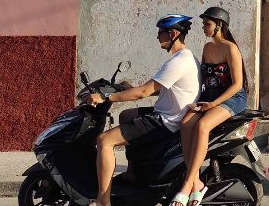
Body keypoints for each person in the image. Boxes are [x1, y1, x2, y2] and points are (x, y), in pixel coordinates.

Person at [85, 14, 201, 206]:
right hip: (171, 115)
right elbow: (162, 88)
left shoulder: (178, 62)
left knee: (104, 140)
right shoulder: (187, 58)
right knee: (126, 115)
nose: (157, 37)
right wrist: (127, 88)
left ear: (172, 33)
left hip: (165, 122)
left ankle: (103, 201)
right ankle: (133, 173)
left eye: (160, 33)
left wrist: (105, 97)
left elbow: (144, 92)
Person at [170, 7, 248, 206]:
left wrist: (214, 103)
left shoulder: (230, 48)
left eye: (207, 24)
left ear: (219, 25)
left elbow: (237, 84)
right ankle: (197, 182)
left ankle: (187, 185)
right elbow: (204, 79)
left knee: (202, 127)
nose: (204, 27)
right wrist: (198, 100)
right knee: (186, 124)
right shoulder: (206, 47)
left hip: (231, 98)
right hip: (209, 96)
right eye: (204, 24)